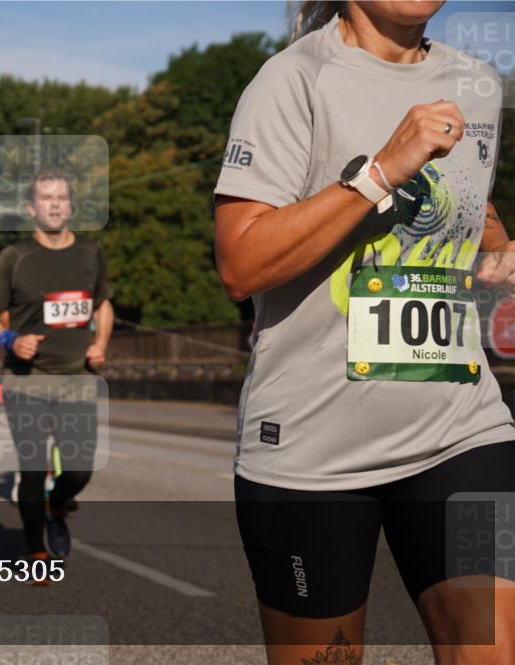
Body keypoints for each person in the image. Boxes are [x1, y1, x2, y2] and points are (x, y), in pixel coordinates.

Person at [214, 3, 515, 663]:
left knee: (492, 644)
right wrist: (380, 172)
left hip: (459, 430)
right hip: (313, 450)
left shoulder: (479, 86)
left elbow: (471, 201)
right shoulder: (293, 80)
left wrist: (501, 251)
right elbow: (241, 263)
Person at [0, 170, 113, 569]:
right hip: (28, 380)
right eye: (46, 197)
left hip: (77, 379)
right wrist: (9, 340)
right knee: (33, 469)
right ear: (30, 208)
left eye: (61, 197)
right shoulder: (14, 257)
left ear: (70, 206)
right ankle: (35, 548)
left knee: (79, 470)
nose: (54, 204)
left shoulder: (90, 252)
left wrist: (100, 343)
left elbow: (102, 304)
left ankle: (56, 507)